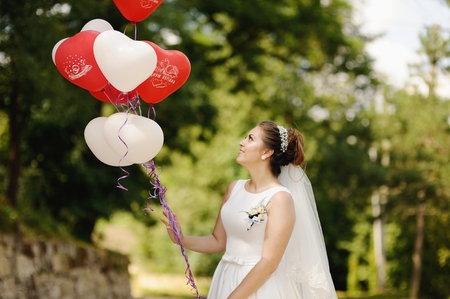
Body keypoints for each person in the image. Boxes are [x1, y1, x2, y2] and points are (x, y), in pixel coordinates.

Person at [162, 120, 337, 299]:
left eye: (250, 138)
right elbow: (218, 241)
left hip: (261, 286)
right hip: (225, 277)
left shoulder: (280, 198)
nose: (242, 142)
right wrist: (181, 239)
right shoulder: (233, 188)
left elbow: (269, 262)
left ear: (267, 152)